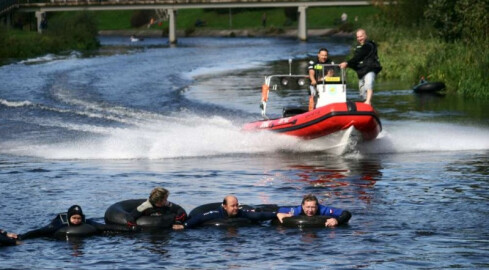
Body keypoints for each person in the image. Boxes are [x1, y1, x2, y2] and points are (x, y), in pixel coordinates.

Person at [18, 205, 136, 240]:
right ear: (69, 218)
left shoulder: (86, 222)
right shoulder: (59, 224)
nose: (76, 221)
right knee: (46, 232)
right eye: (74, 218)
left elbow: (104, 227)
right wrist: (22, 237)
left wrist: (129, 229)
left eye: (78, 218)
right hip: (58, 224)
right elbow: (40, 231)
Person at [184, 195, 291, 228]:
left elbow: (258, 215)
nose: (235, 208)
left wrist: (276, 214)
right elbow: (199, 217)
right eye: (232, 206)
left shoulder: (241, 212)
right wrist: (184, 225)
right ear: (225, 206)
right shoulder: (216, 213)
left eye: (237, 205)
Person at [339, 29, 382, 105]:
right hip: (361, 71)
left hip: (370, 69)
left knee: (369, 83)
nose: (359, 38)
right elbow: (356, 59)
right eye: (358, 37)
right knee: (362, 92)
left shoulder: (369, 45)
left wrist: (347, 63)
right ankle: (365, 103)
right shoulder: (358, 47)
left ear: (365, 36)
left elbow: (359, 56)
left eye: (361, 36)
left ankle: (368, 101)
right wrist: (348, 65)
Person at [278, 194, 352, 227]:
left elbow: (347, 213)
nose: (310, 210)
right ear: (303, 206)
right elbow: (278, 210)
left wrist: (337, 220)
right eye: (308, 207)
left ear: (317, 206)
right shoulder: (295, 211)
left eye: (313, 207)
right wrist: (278, 214)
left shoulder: (323, 209)